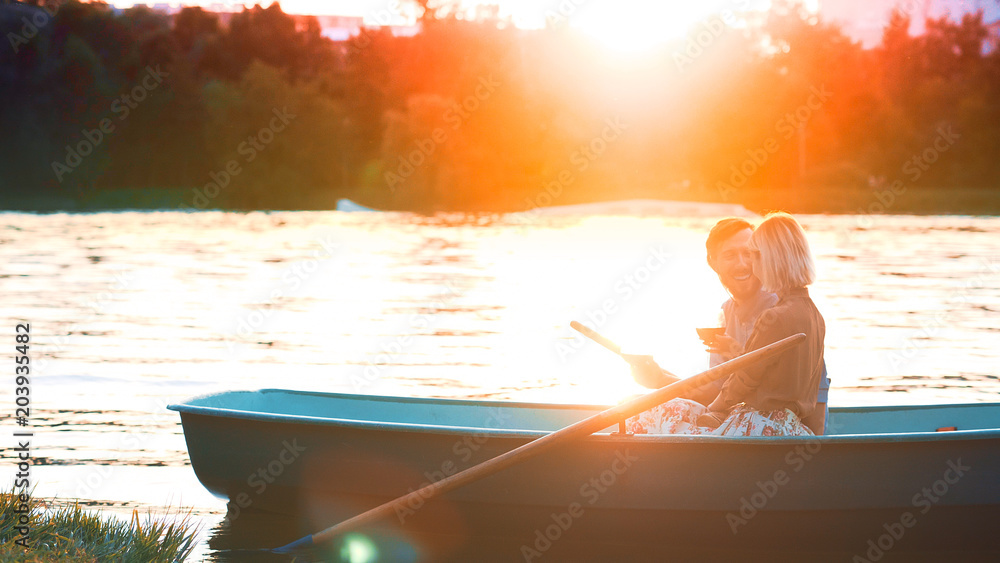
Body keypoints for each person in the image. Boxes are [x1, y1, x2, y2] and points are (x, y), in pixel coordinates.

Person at [628, 212, 825, 437]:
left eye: (753, 255)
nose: (746, 263)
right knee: (649, 406)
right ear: (713, 262)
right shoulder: (814, 313)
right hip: (784, 423)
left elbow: (745, 379)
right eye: (731, 254)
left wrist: (715, 408)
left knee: (647, 415)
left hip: (760, 423)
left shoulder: (774, 316)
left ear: (771, 260)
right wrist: (662, 379)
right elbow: (724, 386)